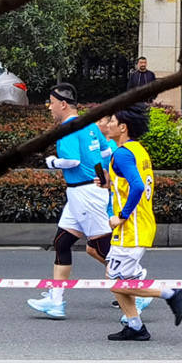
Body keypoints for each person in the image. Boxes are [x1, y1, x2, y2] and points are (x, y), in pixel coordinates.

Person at [100, 105, 182, 341]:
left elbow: (137, 186)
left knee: (117, 284)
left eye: (112, 121)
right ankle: (136, 327)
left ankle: (171, 293)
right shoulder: (138, 150)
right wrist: (110, 185)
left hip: (131, 228)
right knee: (116, 279)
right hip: (139, 224)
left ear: (123, 127)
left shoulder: (122, 153)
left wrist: (121, 216)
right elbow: (132, 183)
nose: (108, 124)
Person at [27, 84, 113, 320]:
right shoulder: (89, 124)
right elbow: (104, 153)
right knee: (62, 242)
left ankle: (136, 290)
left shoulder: (66, 129)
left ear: (62, 104)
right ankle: (56, 301)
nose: (49, 107)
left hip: (84, 194)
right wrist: (95, 169)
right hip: (82, 192)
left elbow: (72, 161)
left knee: (100, 247)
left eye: (51, 102)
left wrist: (52, 162)